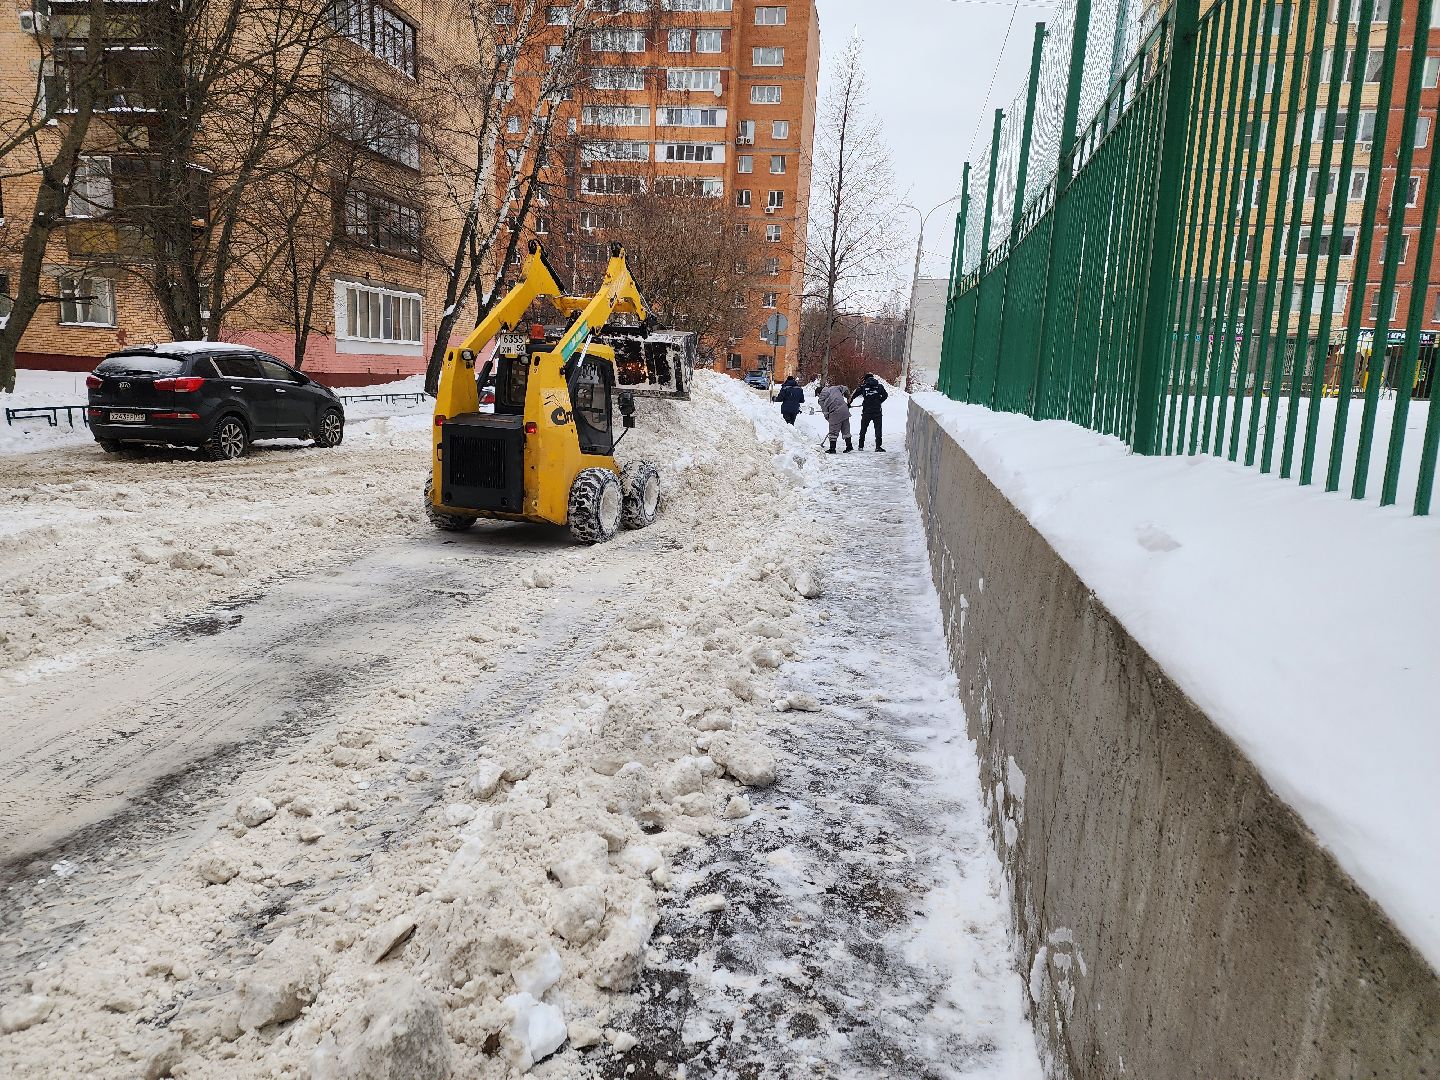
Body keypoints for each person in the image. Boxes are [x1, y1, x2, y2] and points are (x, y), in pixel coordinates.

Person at [849, 372, 889, 451]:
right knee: (878, 429)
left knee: (863, 429)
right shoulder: (879, 386)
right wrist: (879, 401)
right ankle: (878, 447)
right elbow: (885, 395)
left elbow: (853, 395)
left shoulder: (863, 387)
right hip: (877, 411)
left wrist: (848, 404)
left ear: (865, 379)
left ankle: (861, 446)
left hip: (866, 411)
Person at [817, 382, 853, 454]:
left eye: (817, 395)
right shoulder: (835, 388)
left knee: (833, 431)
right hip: (844, 410)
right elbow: (845, 388)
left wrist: (829, 419)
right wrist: (848, 398)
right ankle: (849, 446)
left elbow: (825, 412)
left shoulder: (821, 400)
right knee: (846, 429)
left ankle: (832, 449)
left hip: (835, 413)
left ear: (818, 393)